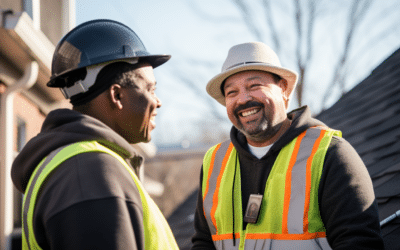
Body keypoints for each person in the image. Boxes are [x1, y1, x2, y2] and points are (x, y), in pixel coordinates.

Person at [191, 42, 384, 249]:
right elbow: (204, 242)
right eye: (232, 92)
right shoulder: (215, 162)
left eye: (254, 86)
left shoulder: (329, 153)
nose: (243, 99)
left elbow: (360, 243)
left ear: (283, 88)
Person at [11, 19, 179, 250]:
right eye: (150, 89)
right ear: (117, 96)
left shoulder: (80, 164)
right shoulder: (89, 171)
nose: (157, 102)